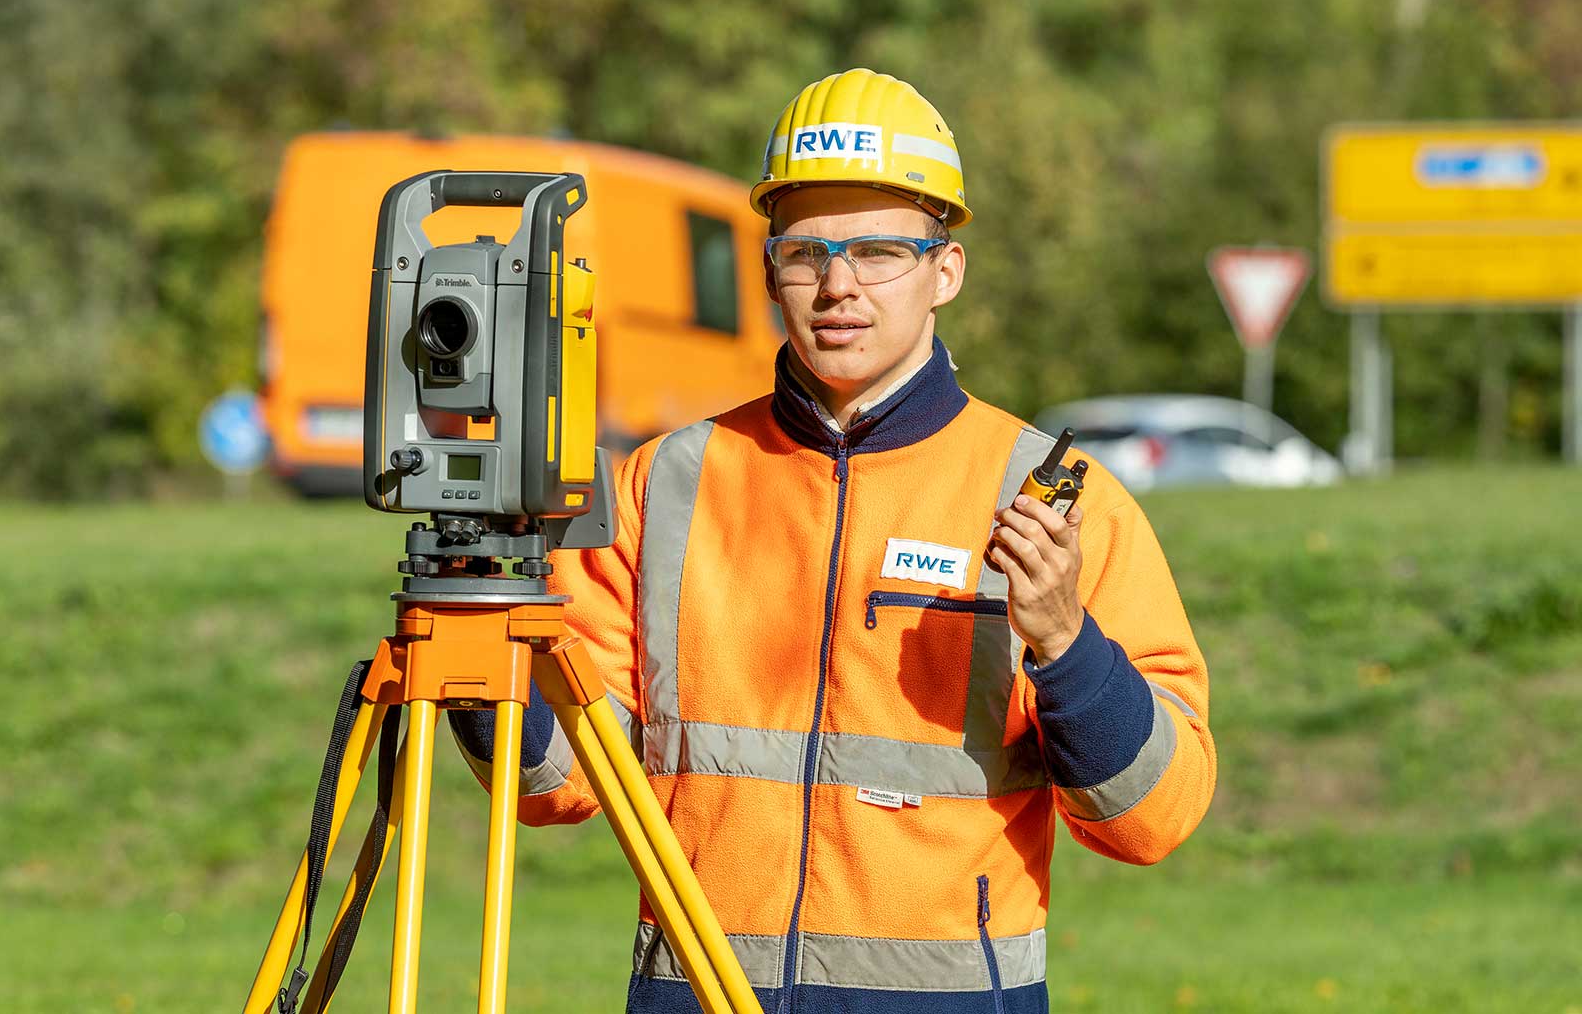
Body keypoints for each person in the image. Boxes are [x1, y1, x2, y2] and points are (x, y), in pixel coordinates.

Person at [451, 67, 1216, 1014]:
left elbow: (1155, 818)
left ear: (947, 270)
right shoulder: (666, 482)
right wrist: (482, 627)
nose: (838, 286)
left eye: (881, 250)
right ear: (770, 267)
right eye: (805, 254)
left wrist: (1066, 644)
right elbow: (556, 783)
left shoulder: (1053, 499)